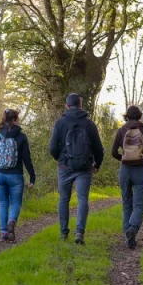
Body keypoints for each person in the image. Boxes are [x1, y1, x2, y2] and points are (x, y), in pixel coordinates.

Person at [49, 93, 104, 245]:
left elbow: (53, 148)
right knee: (82, 199)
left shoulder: (60, 123)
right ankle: (79, 232)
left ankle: (63, 233)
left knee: (64, 199)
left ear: (66, 106)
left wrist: (61, 160)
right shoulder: (89, 124)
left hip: (65, 166)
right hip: (85, 167)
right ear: (81, 105)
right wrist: (97, 164)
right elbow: (98, 149)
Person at [0, 109, 36, 242]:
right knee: (16, 203)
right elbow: (27, 159)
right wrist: (32, 176)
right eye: (17, 119)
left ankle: (4, 233)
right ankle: (11, 222)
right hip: (16, 176)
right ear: (14, 120)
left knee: (2, 204)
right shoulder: (21, 137)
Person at [111, 105, 143, 249]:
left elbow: (113, 152)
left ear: (126, 116)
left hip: (125, 171)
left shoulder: (121, 130)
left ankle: (128, 238)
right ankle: (133, 230)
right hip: (140, 170)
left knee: (126, 204)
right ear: (139, 115)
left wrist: (124, 158)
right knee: (139, 205)